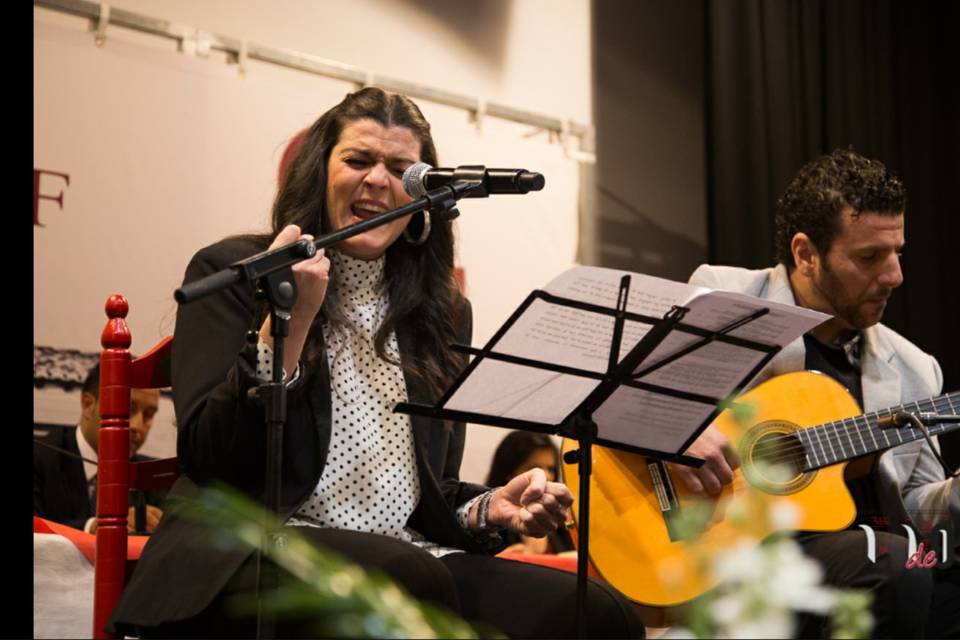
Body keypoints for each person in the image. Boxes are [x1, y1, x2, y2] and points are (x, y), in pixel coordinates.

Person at [107, 87, 644, 639]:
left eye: (402, 170)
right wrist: (286, 325)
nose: (379, 182)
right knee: (409, 580)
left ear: (426, 197)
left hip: (403, 559)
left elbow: (424, 495)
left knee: (600, 615)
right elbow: (212, 459)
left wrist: (490, 510)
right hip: (249, 547)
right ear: (318, 173)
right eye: (358, 161)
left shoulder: (443, 313)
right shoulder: (238, 271)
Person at [678, 147, 957, 638]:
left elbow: (915, 508)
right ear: (805, 253)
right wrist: (678, 434)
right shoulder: (726, 298)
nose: (895, 276)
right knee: (896, 566)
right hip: (729, 548)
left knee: (921, 562)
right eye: (871, 257)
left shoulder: (916, 368)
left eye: (898, 253)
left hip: (865, 552)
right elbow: (623, 400)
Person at [33, 361, 164, 533]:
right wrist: (96, 527)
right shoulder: (39, 457)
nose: (137, 426)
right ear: (88, 405)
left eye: (148, 415)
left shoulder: (152, 476)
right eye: (127, 408)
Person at [486, 431, 575, 555]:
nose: (547, 476)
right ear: (509, 474)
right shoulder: (489, 525)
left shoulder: (562, 520)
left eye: (551, 469)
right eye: (534, 469)